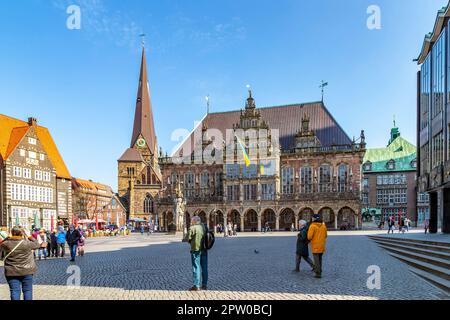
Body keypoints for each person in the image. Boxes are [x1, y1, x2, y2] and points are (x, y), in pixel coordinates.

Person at [0, 226, 42, 300]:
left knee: (14, 291)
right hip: (27, 270)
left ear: (12, 233)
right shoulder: (27, 243)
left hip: (11, 271)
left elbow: (1, 244)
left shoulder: (6, 243)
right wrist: (29, 236)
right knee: (27, 290)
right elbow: (37, 244)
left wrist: (7, 237)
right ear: (22, 233)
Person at [188, 216, 208, 291]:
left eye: (192, 221)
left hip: (195, 249)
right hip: (204, 249)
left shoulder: (192, 228)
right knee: (204, 267)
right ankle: (204, 285)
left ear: (194, 221)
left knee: (196, 267)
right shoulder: (204, 227)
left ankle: (196, 285)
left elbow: (187, 238)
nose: (191, 222)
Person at [307, 214, 328, 279]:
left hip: (315, 245)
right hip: (321, 245)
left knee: (316, 260)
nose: (312, 219)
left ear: (314, 219)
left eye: (312, 218)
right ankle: (320, 270)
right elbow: (326, 235)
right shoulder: (323, 226)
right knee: (320, 259)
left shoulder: (312, 226)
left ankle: (318, 273)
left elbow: (309, 237)